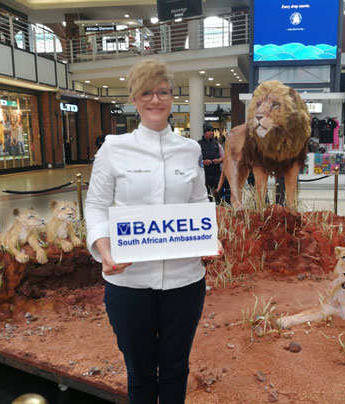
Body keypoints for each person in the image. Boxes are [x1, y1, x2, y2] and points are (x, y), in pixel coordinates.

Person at [85, 59, 223, 404]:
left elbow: (195, 205)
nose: (155, 100)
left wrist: (210, 237)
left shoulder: (188, 150)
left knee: (176, 369)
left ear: (171, 97)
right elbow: (97, 206)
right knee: (141, 373)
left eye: (162, 92)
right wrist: (104, 250)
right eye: (146, 92)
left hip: (184, 282)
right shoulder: (113, 150)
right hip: (129, 285)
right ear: (134, 99)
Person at [198, 123, 223, 203]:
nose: (211, 132)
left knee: (217, 196)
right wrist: (204, 162)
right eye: (209, 131)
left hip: (216, 175)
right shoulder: (198, 144)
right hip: (204, 176)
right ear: (204, 132)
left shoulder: (217, 144)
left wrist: (219, 160)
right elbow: (194, 159)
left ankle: (219, 212)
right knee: (206, 196)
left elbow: (224, 156)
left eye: (212, 130)